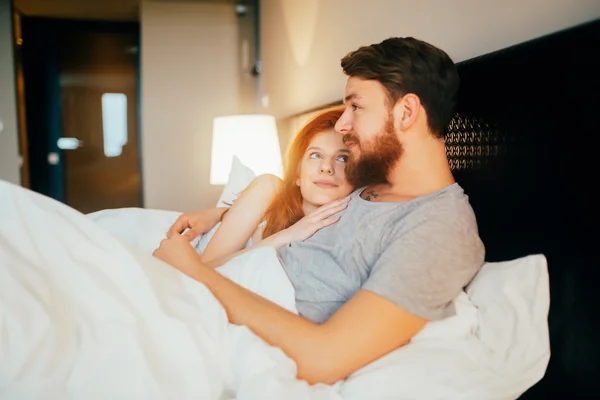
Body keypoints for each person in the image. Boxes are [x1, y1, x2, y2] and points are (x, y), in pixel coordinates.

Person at [153, 36, 485, 385]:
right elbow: (296, 198)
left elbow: (324, 358)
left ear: (406, 112)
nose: (342, 125)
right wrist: (220, 214)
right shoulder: (370, 182)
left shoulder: (438, 229)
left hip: (217, 313)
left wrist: (196, 273)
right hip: (206, 294)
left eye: (356, 107)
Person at [170, 108, 354, 267]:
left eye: (343, 158)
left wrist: (221, 213)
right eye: (315, 155)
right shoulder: (269, 187)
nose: (327, 167)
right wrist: (286, 236)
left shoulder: (353, 230)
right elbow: (204, 270)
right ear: (297, 173)